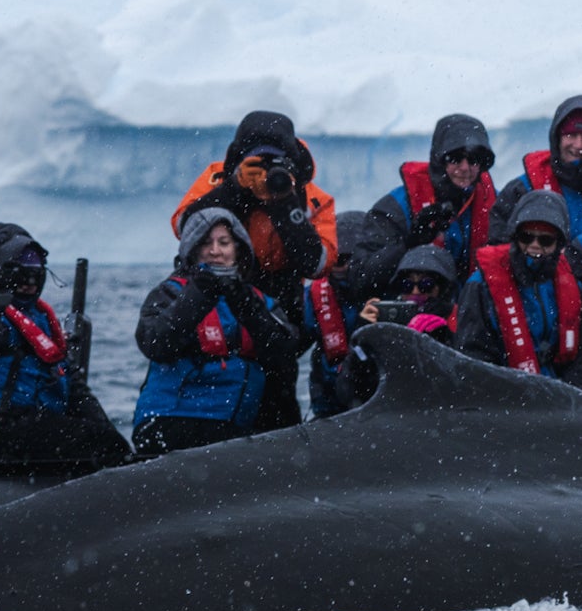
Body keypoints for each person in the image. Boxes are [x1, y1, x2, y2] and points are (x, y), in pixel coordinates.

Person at [171, 110, 338, 429]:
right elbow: (183, 225)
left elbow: (317, 263)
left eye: (274, 161)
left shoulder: (311, 197)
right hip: (217, 299)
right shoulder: (218, 177)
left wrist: (285, 203)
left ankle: (276, 456)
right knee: (212, 381)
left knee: (277, 401)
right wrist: (234, 190)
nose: (265, 170)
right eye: (257, 160)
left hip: (278, 312)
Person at [0, 222, 130, 464]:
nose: (29, 281)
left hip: (28, 424)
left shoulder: (41, 321)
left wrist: (111, 437)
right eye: (20, 273)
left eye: (35, 272)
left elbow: (74, 389)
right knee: (95, 442)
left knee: (108, 441)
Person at [131, 207, 300, 459]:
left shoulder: (257, 300)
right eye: (205, 243)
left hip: (232, 424)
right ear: (192, 250)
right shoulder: (169, 293)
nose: (215, 251)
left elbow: (285, 355)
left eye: (224, 242)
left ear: (238, 249)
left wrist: (245, 305)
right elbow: (154, 343)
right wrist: (199, 293)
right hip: (171, 420)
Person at [458, 189, 582, 389]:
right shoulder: (481, 285)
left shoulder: (574, 287)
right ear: (515, 237)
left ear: (559, 244)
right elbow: (472, 354)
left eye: (545, 240)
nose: (534, 245)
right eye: (527, 237)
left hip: (562, 398)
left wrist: (571, 398)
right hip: (504, 397)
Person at [358, 114, 497, 297]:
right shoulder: (396, 208)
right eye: (455, 158)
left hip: (469, 318)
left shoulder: (497, 207)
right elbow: (361, 279)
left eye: (473, 159)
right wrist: (409, 244)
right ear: (440, 160)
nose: (465, 167)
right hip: (410, 316)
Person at [488, 94, 582, 257]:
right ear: (558, 138)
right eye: (570, 135)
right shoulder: (525, 187)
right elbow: (499, 237)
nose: (578, 145)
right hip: (543, 279)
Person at [300, 210, 372, 418]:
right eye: (338, 259)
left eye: (354, 258)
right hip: (330, 403)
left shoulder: (388, 290)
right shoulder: (311, 298)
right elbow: (289, 345)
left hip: (376, 398)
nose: (345, 266)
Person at [359, 243, 460, 338]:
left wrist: (444, 336)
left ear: (443, 289)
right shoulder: (389, 317)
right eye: (407, 285)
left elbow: (466, 352)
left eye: (426, 285)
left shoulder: (458, 317)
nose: (415, 292)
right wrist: (365, 332)